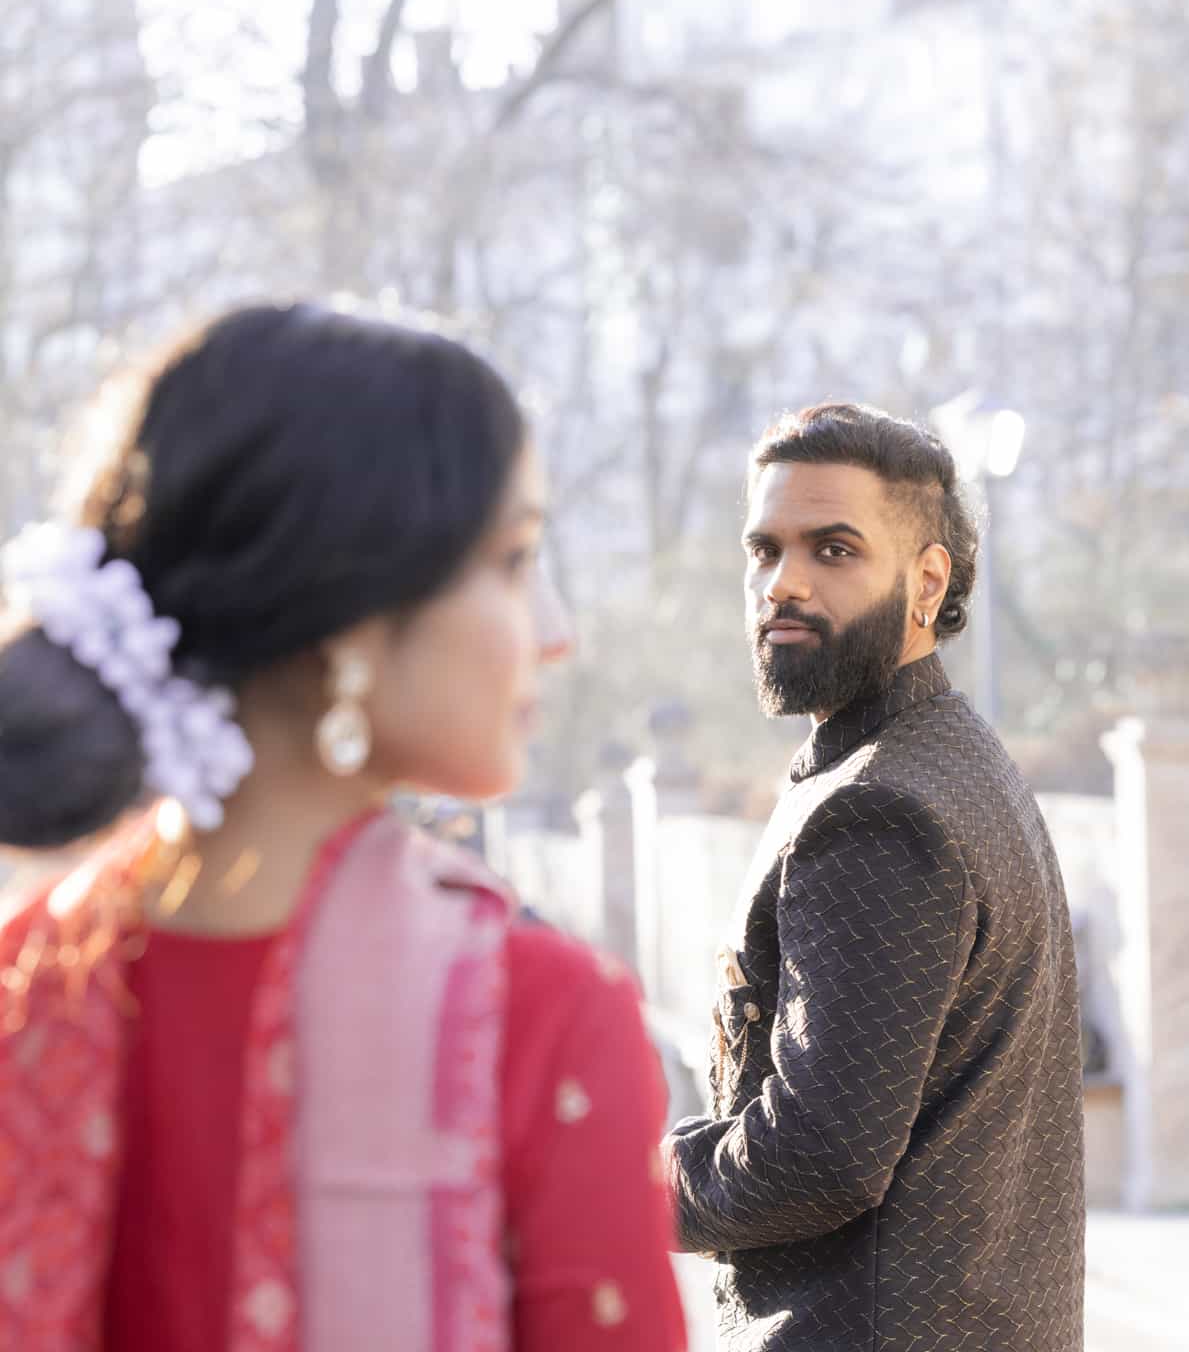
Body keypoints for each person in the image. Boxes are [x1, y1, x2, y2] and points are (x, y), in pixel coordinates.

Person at [0, 304, 686, 1352]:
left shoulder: (29, 984)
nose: (554, 634)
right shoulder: (536, 1018)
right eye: (512, 560)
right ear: (351, 624)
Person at [663, 402, 1085, 1352]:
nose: (784, 584)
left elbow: (816, 1156)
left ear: (926, 581)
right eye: (763, 550)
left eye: (834, 551)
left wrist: (629, 1180)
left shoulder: (878, 811)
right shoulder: (956, 759)